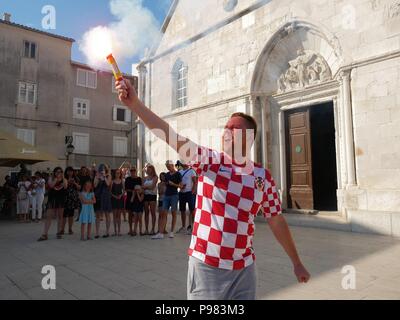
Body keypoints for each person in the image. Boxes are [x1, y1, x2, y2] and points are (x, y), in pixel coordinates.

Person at [116, 79, 310, 300]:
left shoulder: (262, 177)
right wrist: (135, 105)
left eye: (233, 128)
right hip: (207, 267)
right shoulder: (210, 161)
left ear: (248, 137)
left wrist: (297, 263)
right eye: (225, 127)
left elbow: (276, 220)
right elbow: (171, 136)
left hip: (245, 269)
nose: (226, 130)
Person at [152, 160, 182, 240]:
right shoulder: (167, 174)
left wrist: (173, 184)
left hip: (174, 195)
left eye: (169, 166)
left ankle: (171, 231)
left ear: (172, 165)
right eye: (167, 167)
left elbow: (181, 186)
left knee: (173, 213)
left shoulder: (178, 174)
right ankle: (161, 233)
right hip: (166, 195)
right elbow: (165, 183)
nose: (168, 168)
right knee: (163, 213)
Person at [38, 167, 68, 241]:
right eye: (57, 172)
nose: (59, 173)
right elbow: (51, 185)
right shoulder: (51, 178)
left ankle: (58, 232)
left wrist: (63, 178)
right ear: (54, 172)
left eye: (61, 172)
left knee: (60, 217)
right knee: (48, 216)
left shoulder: (64, 179)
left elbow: (65, 186)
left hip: (61, 200)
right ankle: (45, 234)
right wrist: (56, 179)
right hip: (52, 199)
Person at [177, 161, 198, 235]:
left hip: (189, 193)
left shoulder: (192, 171)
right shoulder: (180, 172)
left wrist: (193, 191)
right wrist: (180, 186)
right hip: (182, 192)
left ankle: (192, 227)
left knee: (192, 210)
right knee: (182, 210)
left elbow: (195, 182)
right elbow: (178, 182)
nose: (184, 163)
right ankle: (183, 227)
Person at [94, 164, 113, 239]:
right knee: (97, 215)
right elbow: (95, 186)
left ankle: (107, 232)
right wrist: (98, 178)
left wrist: (104, 176)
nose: (102, 170)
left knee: (107, 214)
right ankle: (97, 232)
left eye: (104, 168)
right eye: (101, 168)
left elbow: (108, 184)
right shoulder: (97, 176)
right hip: (98, 196)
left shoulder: (109, 176)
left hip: (106, 196)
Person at [62, 167, 81, 235]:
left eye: (71, 171)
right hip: (65, 197)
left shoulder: (76, 179)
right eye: (68, 171)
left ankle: (70, 229)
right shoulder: (63, 179)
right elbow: (64, 187)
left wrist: (74, 183)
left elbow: (79, 188)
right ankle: (62, 229)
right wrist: (68, 181)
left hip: (73, 198)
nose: (70, 172)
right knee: (64, 214)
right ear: (66, 172)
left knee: (71, 214)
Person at [124, 167, 142, 236]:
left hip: (137, 198)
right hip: (130, 198)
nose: (133, 172)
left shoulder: (139, 179)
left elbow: (141, 187)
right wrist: (133, 191)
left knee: (137, 215)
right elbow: (126, 189)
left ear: (136, 171)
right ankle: (130, 229)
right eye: (131, 170)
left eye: (134, 170)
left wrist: (137, 192)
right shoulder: (128, 179)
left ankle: (136, 230)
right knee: (130, 214)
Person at [142, 164, 158, 235]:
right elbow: (142, 186)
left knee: (152, 212)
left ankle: (153, 229)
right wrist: (146, 187)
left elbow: (152, 187)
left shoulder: (155, 177)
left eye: (150, 169)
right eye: (148, 169)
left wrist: (145, 187)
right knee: (146, 213)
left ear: (152, 170)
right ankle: (146, 229)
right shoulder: (144, 178)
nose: (148, 170)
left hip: (152, 196)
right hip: (146, 195)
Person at [111, 169, 125, 236]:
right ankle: (115, 231)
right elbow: (110, 191)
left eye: (119, 173)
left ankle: (119, 231)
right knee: (114, 216)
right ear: (115, 174)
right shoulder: (112, 181)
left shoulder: (122, 181)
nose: (118, 174)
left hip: (120, 199)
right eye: (117, 173)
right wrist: (114, 196)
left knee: (119, 216)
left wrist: (121, 195)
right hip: (114, 199)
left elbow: (124, 191)